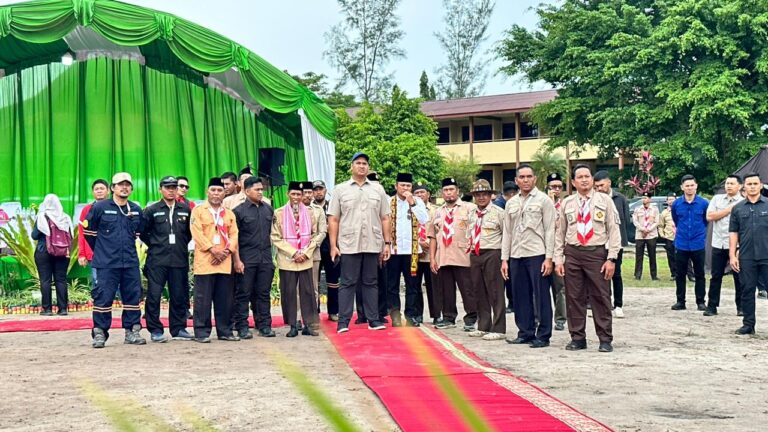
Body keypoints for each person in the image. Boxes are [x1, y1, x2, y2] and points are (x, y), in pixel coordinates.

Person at [554, 164, 621, 353]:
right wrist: (559, 259)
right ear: (574, 182)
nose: (584, 179)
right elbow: (560, 233)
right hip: (573, 252)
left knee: (601, 296)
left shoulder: (605, 200)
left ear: (592, 180)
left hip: (596, 253)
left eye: (587, 176)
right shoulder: (567, 203)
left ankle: (605, 339)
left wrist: (612, 258)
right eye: (580, 177)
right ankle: (577, 337)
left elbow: (613, 231)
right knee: (574, 297)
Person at [328, 152, 392, 333]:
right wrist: (333, 245)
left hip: (373, 242)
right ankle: (343, 322)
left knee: (371, 282)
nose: (362, 166)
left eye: (365, 163)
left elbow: (385, 218)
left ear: (368, 167)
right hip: (349, 243)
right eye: (358, 163)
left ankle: (373, 319)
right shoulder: (340, 189)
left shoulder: (378, 189)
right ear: (352, 166)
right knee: (348, 282)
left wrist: (387, 244)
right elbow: (333, 219)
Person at [83, 172, 146, 348]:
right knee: (103, 298)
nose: (124, 187)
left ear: (131, 188)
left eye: (127, 185)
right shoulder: (100, 208)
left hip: (130, 263)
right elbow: (89, 233)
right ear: (113, 188)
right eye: (120, 184)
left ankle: (132, 331)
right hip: (106, 263)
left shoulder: (135, 209)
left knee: (133, 298)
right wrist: (104, 250)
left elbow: (139, 232)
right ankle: (100, 333)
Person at [502, 166, 556, 347]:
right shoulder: (511, 203)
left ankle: (543, 335)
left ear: (535, 179)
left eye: (529, 177)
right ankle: (525, 332)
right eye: (522, 177)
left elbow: (550, 230)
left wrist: (549, 258)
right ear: (516, 180)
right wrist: (504, 259)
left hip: (537, 253)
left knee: (541, 295)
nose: (525, 180)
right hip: (516, 254)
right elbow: (507, 233)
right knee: (520, 295)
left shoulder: (544, 200)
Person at [139, 176, 193, 342]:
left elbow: (189, 234)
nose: (171, 190)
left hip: (179, 259)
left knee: (178, 295)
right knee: (154, 295)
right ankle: (155, 330)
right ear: (160, 189)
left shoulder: (185, 209)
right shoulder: (151, 210)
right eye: (167, 187)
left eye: (174, 187)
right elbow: (142, 232)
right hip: (157, 260)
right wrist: (157, 244)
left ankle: (178, 329)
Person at [272, 181, 326, 337]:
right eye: (293, 194)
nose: (296, 197)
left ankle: (308, 324)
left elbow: (316, 235)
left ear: (303, 196)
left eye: (299, 194)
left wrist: (306, 252)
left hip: (306, 258)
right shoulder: (279, 213)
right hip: (287, 259)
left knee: (308, 292)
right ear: (287, 194)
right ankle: (293, 325)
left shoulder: (310, 213)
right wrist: (294, 253)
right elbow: (275, 237)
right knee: (289, 292)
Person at [190, 177, 240, 343]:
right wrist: (212, 249)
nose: (216, 193)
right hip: (205, 261)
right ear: (207, 192)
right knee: (202, 300)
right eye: (213, 190)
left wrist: (226, 251)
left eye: (219, 190)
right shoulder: (198, 210)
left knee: (225, 299)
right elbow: (197, 233)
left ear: (224, 193)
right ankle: (201, 332)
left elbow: (234, 235)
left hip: (224, 262)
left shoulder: (229, 213)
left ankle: (224, 331)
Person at [428, 177, 478, 331]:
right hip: (443, 256)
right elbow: (432, 237)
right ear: (442, 193)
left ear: (458, 191)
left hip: (463, 255)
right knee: (445, 289)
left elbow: (476, 231)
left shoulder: (470, 208)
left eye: (451, 190)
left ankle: (471, 317)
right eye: (446, 190)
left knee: (467, 288)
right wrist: (432, 258)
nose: (449, 193)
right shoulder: (437, 212)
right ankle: (449, 317)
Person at [232, 176, 275, 338]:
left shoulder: (268, 209)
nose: (260, 192)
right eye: (257, 189)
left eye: (261, 189)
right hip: (246, 259)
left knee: (263, 293)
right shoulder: (238, 211)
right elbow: (234, 238)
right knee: (243, 293)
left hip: (265, 258)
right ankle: (242, 326)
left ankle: (264, 325)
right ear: (246, 190)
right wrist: (237, 260)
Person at [464, 180, 506, 341]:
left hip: (493, 252)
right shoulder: (471, 213)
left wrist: (504, 258)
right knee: (478, 290)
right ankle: (483, 325)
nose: (481, 198)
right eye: (477, 195)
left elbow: (505, 234)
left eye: (484, 194)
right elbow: (469, 232)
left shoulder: (498, 212)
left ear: (490, 195)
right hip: (475, 253)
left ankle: (499, 327)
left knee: (495, 290)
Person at [385, 173, 430, 327]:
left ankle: (411, 315)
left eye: (408, 186)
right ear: (396, 186)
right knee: (392, 285)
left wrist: (413, 203)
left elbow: (424, 219)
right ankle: (395, 315)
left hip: (412, 251)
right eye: (402, 185)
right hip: (393, 250)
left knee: (413, 285)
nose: (405, 188)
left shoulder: (417, 201)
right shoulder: (388, 202)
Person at [729, 173, 768, 335]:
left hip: (767, 255)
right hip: (746, 256)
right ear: (743, 187)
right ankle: (748, 325)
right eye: (749, 184)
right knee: (747, 290)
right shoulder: (737, 208)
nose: (752, 186)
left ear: (760, 185)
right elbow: (733, 233)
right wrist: (732, 255)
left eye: (755, 183)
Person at [593, 170, 631, 318]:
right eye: (596, 186)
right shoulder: (594, 199)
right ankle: (603, 304)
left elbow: (626, 220)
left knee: (616, 273)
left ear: (609, 183)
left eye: (601, 185)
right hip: (599, 242)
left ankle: (618, 304)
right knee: (600, 274)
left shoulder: (620, 198)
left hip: (616, 243)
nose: (599, 189)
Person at [705, 174, 743, 317]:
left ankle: (741, 307)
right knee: (716, 276)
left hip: (737, 246)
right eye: (727, 183)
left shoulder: (743, 202)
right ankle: (712, 306)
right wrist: (728, 210)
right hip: (718, 243)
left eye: (732, 183)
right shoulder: (717, 199)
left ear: (739, 186)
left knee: (739, 277)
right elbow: (709, 217)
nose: (728, 186)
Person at [670, 174, 709, 311]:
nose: (690, 188)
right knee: (680, 274)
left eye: (692, 185)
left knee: (700, 274)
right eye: (687, 186)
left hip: (698, 243)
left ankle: (700, 302)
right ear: (682, 187)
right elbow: (676, 220)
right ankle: (680, 301)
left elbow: (706, 221)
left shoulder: (704, 203)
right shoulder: (676, 204)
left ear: (696, 186)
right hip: (681, 243)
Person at [32, 194, 73, 316]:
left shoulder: (42, 216)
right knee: (61, 280)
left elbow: (34, 235)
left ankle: (47, 309)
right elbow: (70, 235)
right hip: (62, 252)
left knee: (45, 280)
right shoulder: (65, 217)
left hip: (44, 251)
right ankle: (63, 309)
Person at [313, 180, 341, 321]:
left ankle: (333, 311)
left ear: (325, 190)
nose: (318, 192)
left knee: (333, 281)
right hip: (315, 248)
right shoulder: (309, 207)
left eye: (321, 189)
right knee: (314, 281)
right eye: (316, 189)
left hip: (332, 246)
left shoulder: (333, 206)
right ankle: (314, 311)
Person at [414, 181, 438, 324]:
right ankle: (417, 315)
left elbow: (439, 230)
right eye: (417, 193)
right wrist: (418, 244)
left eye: (422, 192)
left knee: (433, 286)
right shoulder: (409, 209)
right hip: (414, 255)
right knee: (415, 286)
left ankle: (436, 314)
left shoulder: (436, 210)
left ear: (428, 194)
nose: (420, 195)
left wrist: (428, 243)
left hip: (431, 254)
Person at [546, 173, 567, 331]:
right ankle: (540, 318)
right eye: (553, 187)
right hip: (542, 251)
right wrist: (549, 202)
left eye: (559, 187)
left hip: (559, 251)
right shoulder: (541, 203)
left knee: (560, 288)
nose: (556, 190)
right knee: (540, 288)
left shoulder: (566, 205)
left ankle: (560, 318)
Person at [78, 179, 109, 285]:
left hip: (113, 254)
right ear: (92, 192)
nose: (99, 191)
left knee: (116, 284)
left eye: (102, 188)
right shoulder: (87, 210)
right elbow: (82, 233)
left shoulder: (115, 207)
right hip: (94, 253)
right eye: (96, 189)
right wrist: (82, 254)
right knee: (98, 282)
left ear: (108, 191)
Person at [494, 180, 519, 312]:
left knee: (509, 278)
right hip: (501, 247)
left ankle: (512, 303)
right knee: (503, 278)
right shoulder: (499, 206)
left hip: (511, 247)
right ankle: (507, 303)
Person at [303, 182, 327, 314]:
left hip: (313, 253)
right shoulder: (288, 210)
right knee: (297, 288)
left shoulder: (318, 210)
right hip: (296, 254)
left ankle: (312, 316)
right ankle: (298, 318)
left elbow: (322, 232)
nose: (307, 195)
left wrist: (310, 246)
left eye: (309, 192)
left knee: (313, 286)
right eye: (304, 192)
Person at [632, 192, 660, 281]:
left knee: (652, 256)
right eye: (643, 197)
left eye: (646, 197)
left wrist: (648, 229)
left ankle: (654, 275)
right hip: (640, 235)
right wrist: (642, 229)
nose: (644, 199)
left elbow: (657, 221)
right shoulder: (637, 209)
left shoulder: (654, 209)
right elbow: (635, 221)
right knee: (639, 256)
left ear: (650, 199)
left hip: (651, 235)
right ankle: (637, 274)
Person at [658, 193, 677, 280]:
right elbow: (661, 225)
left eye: (673, 199)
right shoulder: (664, 213)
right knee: (671, 257)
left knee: (685, 257)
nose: (671, 201)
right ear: (667, 201)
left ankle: (690, 275)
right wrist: (662, 235)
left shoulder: (680, 210)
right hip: (669, 237)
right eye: (669, 199)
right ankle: (673, 274)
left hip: (680, 237)